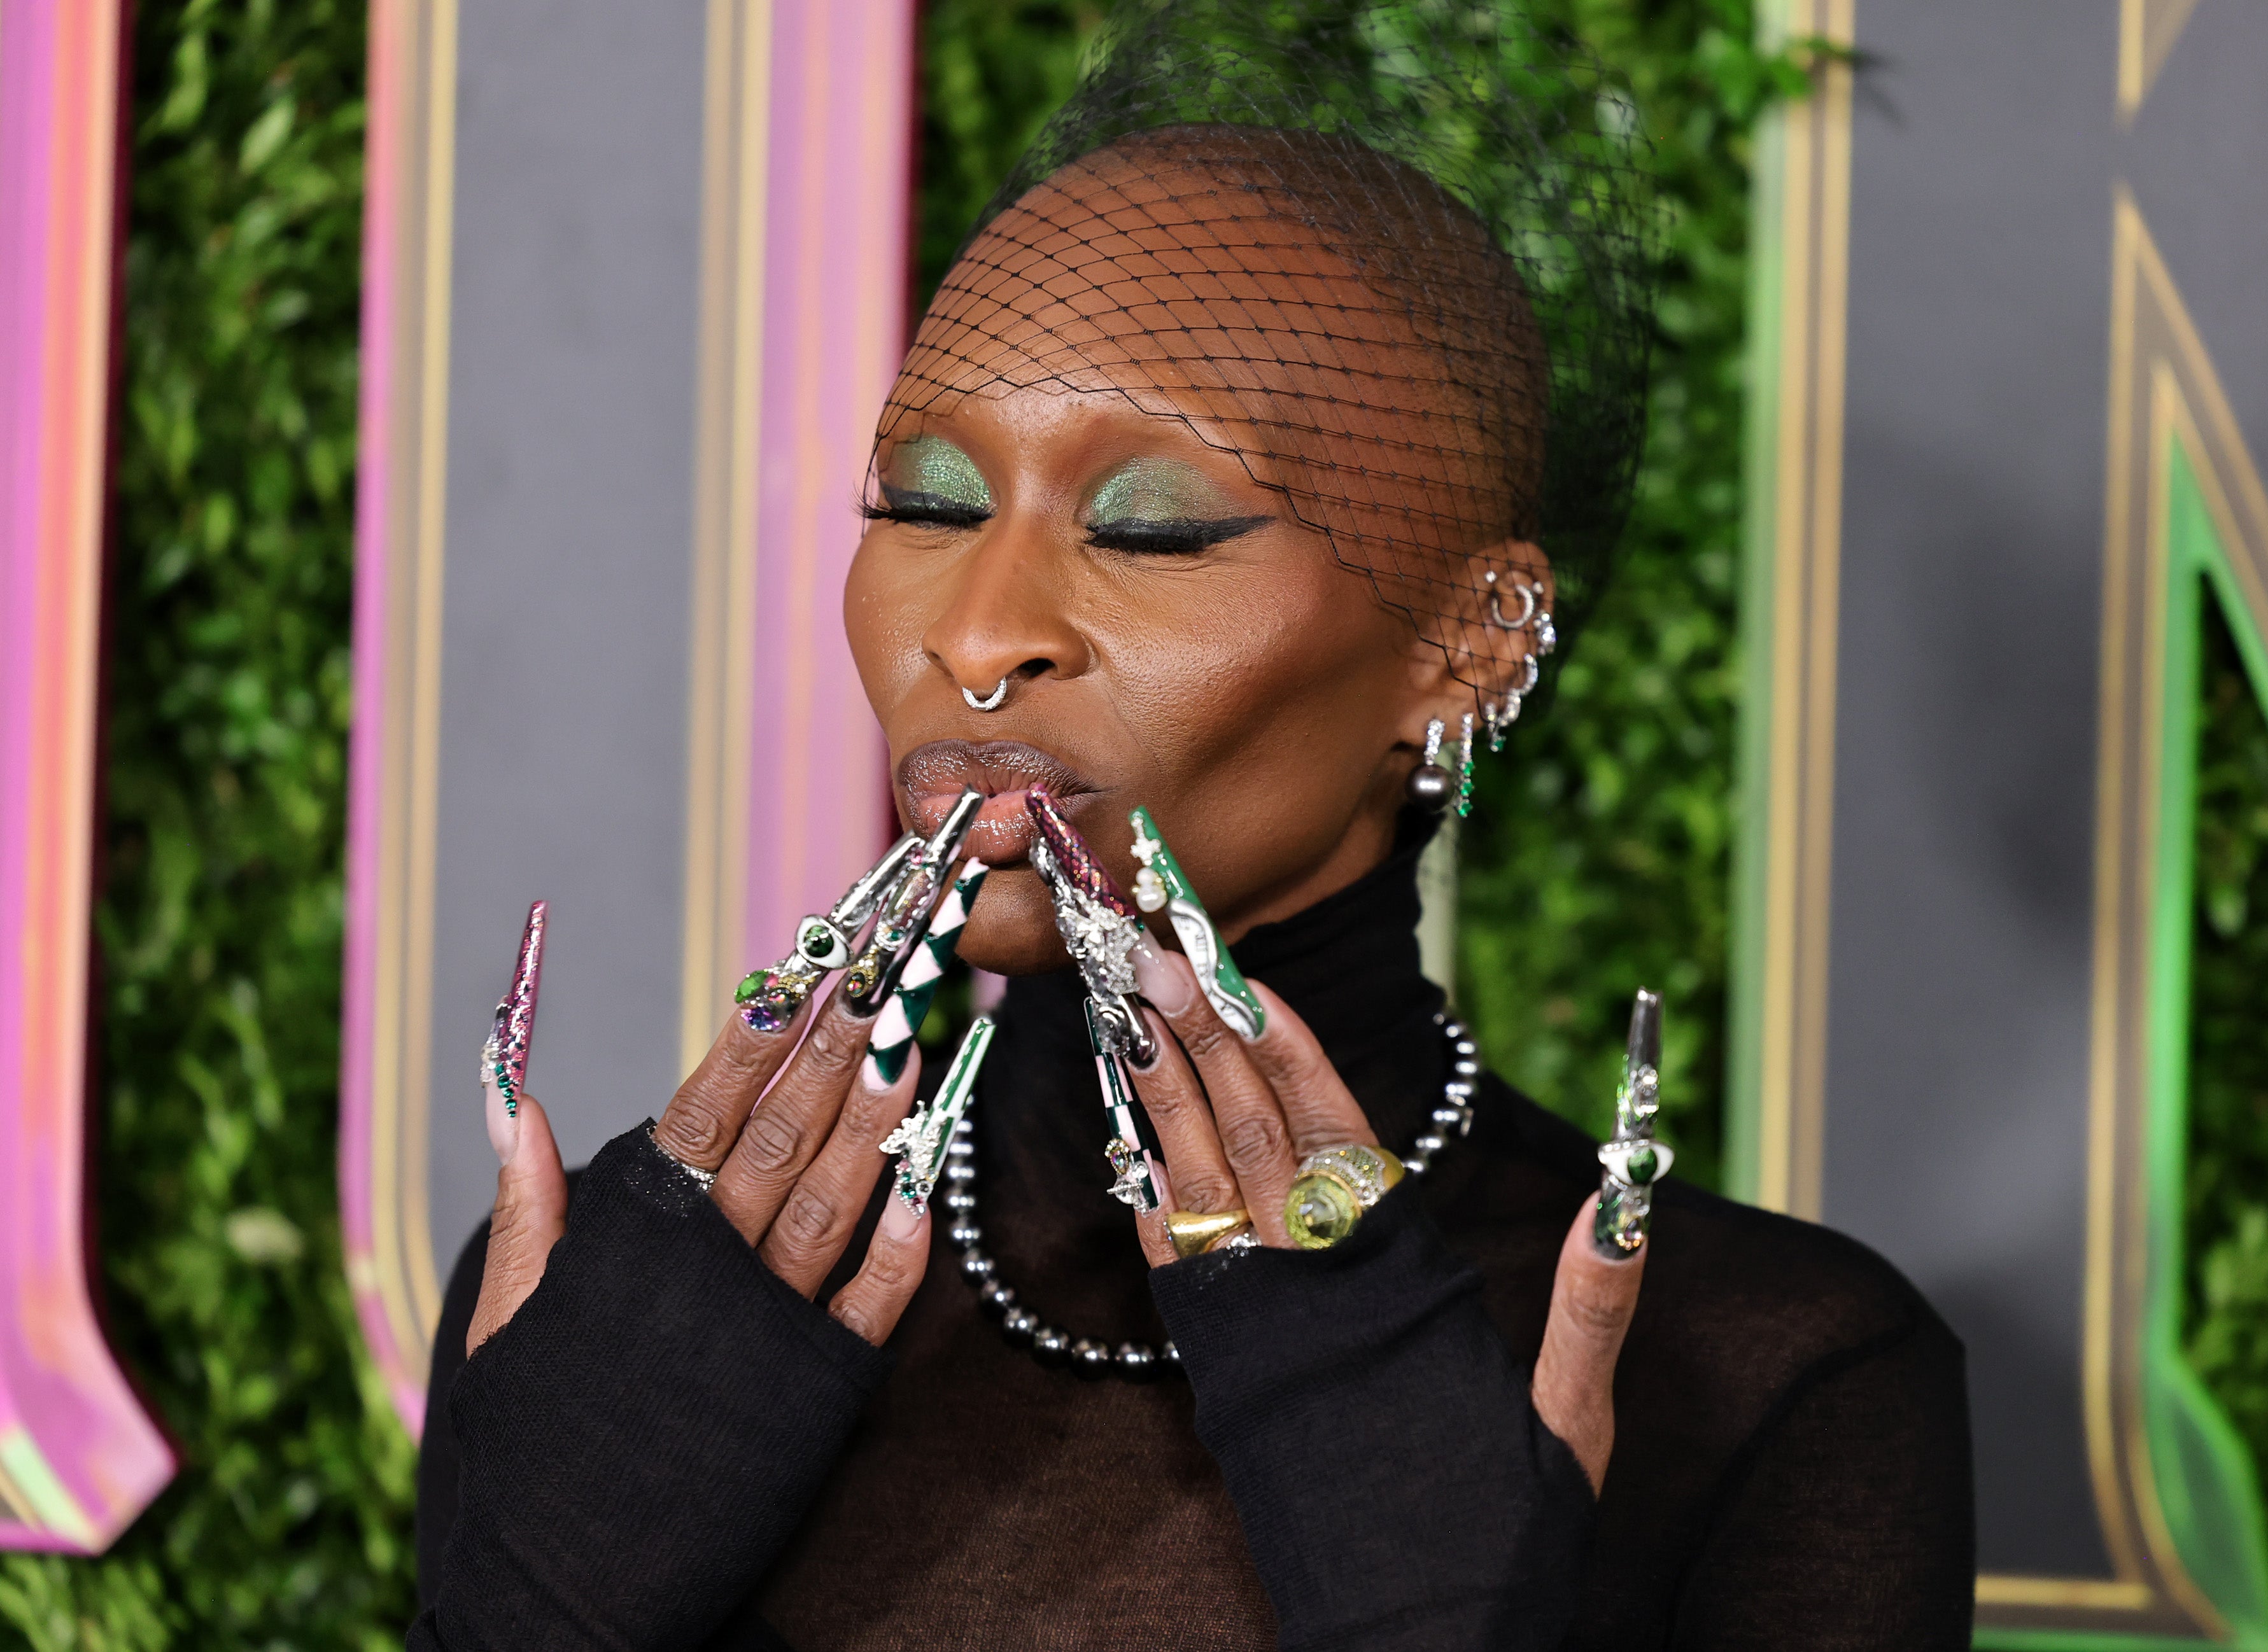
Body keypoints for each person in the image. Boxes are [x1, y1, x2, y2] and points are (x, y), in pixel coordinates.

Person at [411, 7, 1975, 1648]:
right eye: (927, 500)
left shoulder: (1766, 1373)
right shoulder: (620, 1320)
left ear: (1469, 639)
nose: (978, 629)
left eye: (1149, 528)